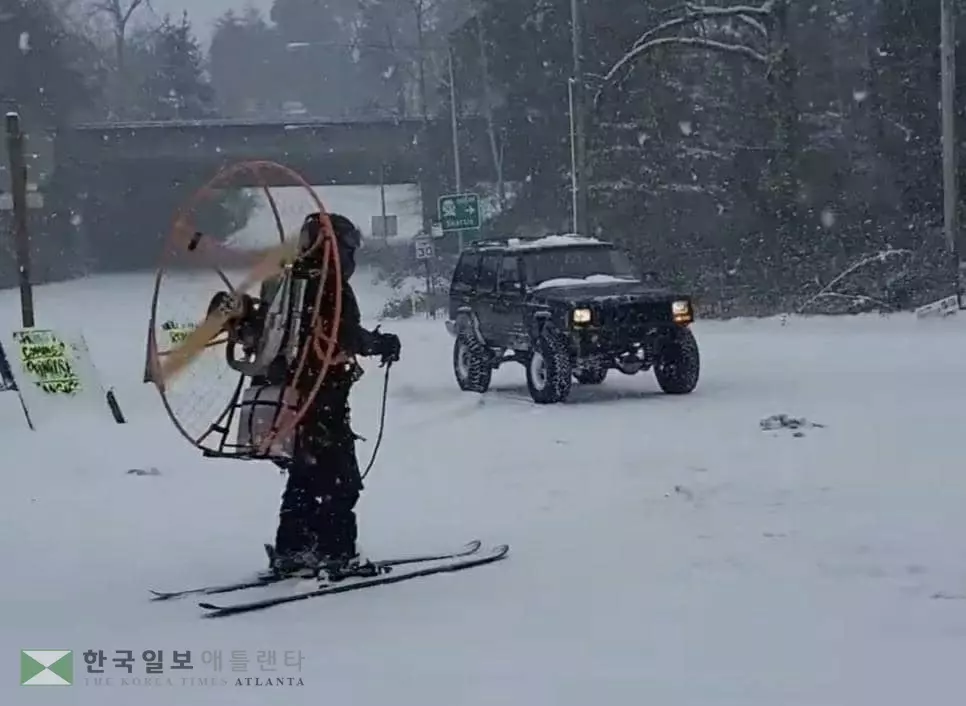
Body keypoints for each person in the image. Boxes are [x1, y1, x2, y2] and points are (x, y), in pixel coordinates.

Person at [260, 212, 401, 576]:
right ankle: (336, 553)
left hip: (295, 393)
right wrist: (381, 343)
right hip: (325, 393)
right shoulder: (332, 286)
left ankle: (294, 548)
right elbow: (346, 335)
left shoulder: (290, 278)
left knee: (304, 474)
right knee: (340, 478)